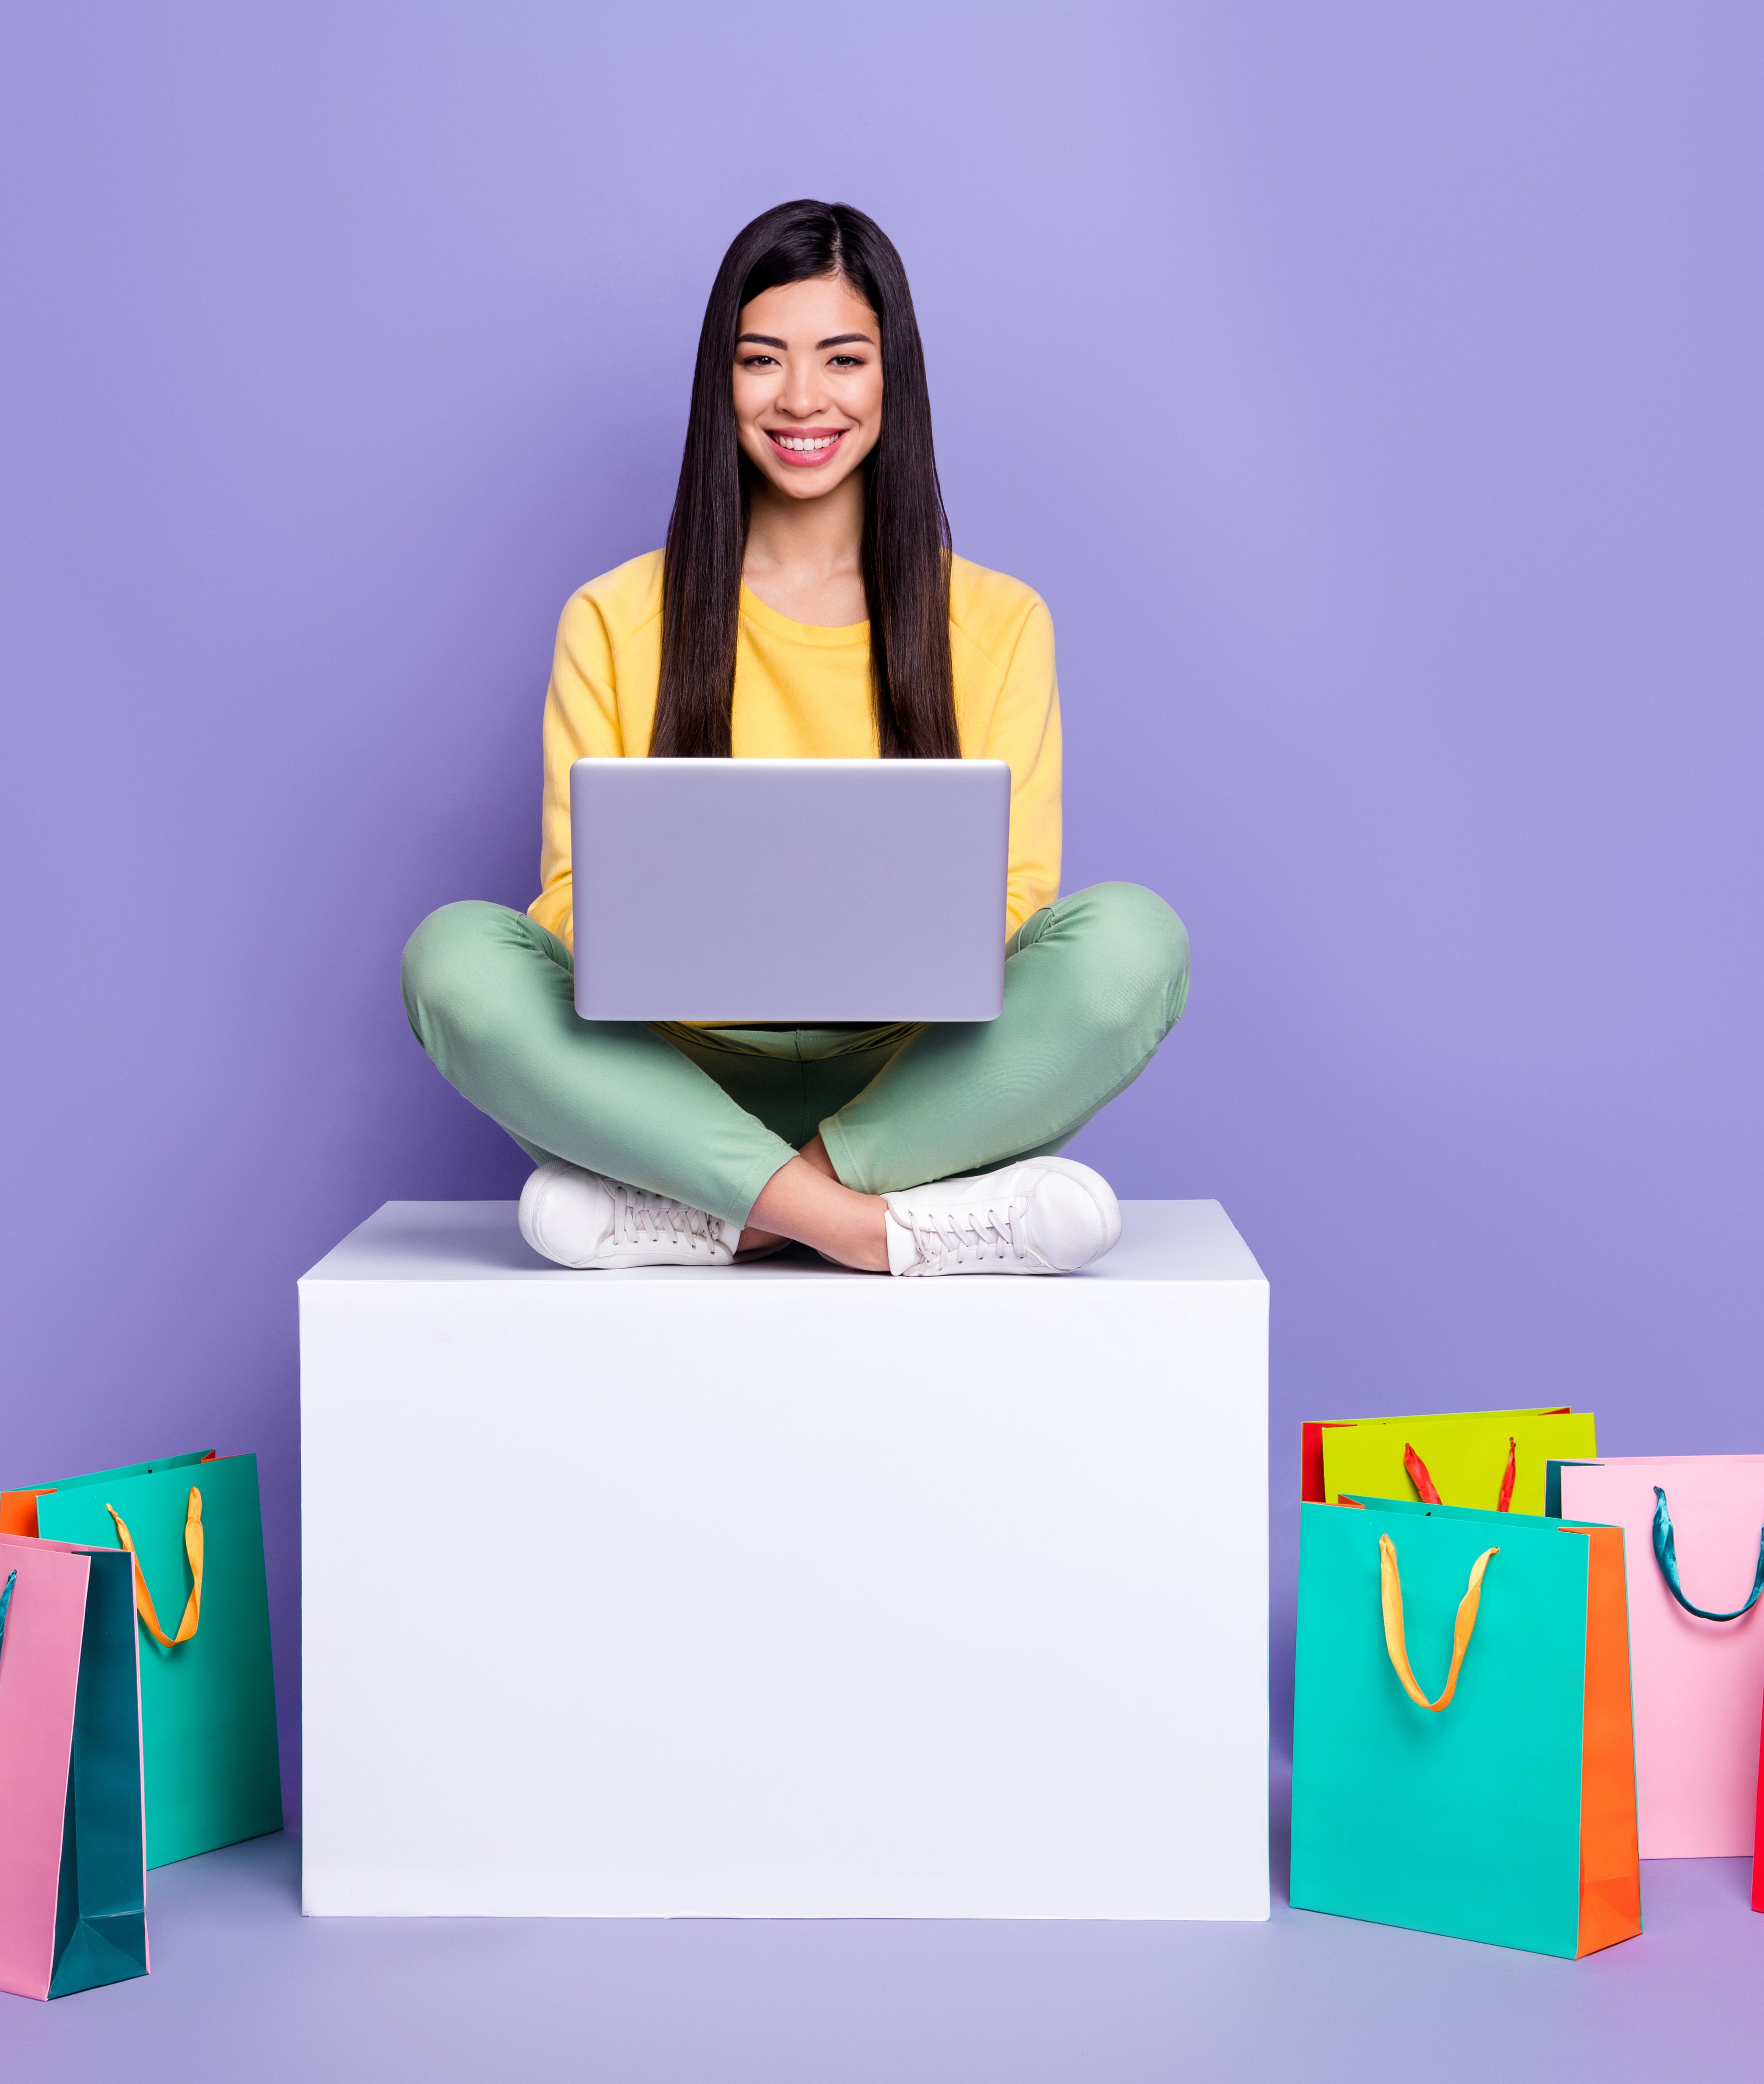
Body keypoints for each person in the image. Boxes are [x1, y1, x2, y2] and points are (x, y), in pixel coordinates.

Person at [401, 200, 1188, 1277]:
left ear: (892, 378)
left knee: (1134, 945)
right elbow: (574, 904)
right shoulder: (614, 616)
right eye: (763, 359)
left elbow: (1016, 905)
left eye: (843, 359)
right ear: (719, 383)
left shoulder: (1000, 621)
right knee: (454, 961)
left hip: (919, 1084)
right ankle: (872, 1231)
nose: (803, 399)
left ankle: (726, 1215)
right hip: (669, 1086)